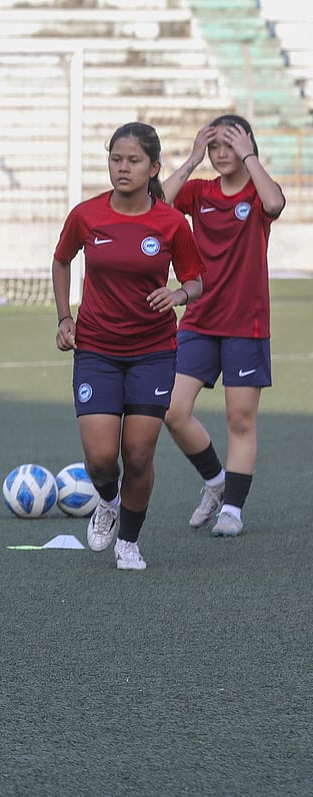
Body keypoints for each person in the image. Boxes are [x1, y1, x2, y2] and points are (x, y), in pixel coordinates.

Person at [52, 122, 205, 570]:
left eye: (133, 161)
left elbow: (195, 280)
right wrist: (64, 317)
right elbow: (62, 259)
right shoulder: (86, 215)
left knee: (138, 454)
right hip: (97, 349)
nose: (123, 168)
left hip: (153, 351)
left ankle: (129, 543)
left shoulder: (171, 223)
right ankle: (107, 499)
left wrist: (178, 295)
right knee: (102, 458)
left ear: (153, 167)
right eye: (116, 159)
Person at [161, 115, 285, 537]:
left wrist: (249, 155)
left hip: (245, 324)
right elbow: (158, 204)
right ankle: (215, 481)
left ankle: (232, 508)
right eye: (215, 147)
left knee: (240, 419)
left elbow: (274, 204)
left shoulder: (257, 192)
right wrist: (193, 158)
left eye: (229, 145)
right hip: (199, 318)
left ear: (247, 146)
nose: (220, 154)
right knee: (173, 410)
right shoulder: (199, 193)